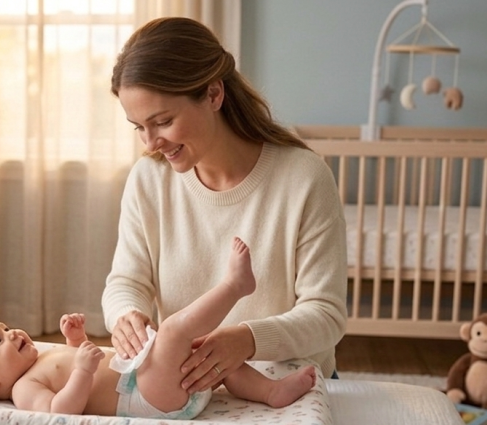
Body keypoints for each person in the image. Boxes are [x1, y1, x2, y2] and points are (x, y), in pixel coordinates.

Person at [103, 16, 347, 395]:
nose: (150, 143)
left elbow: (326, 315)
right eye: (138, 127)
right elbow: (126, 282)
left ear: (214, 95)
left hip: (290, 386)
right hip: (190, 391)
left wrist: (247, 340)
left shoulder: (304, 177)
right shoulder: (148, 180)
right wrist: (126, 316)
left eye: (163, 121)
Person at [0, 238, 317, 417]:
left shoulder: (40, 360)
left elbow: (84, 362)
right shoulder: (22, 389)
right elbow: (60, 411)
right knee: (171, 333)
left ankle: (271, 392)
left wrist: (75, 340)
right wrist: (82, 371)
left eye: (4, 326)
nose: (13, 332)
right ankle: (235, 287)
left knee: (211, 352)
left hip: (146, 379)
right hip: (146, 399)